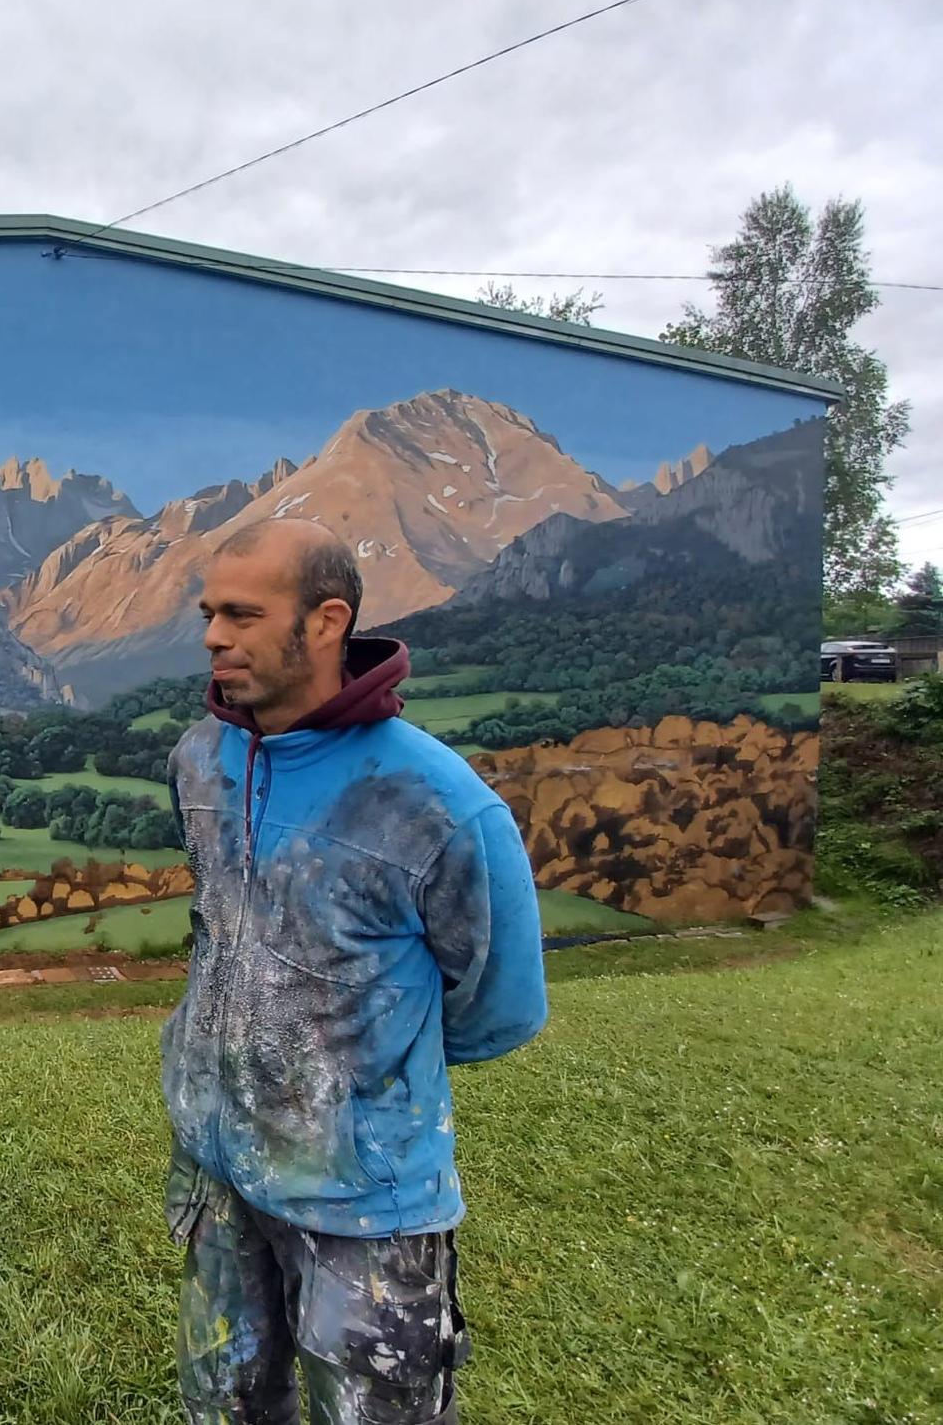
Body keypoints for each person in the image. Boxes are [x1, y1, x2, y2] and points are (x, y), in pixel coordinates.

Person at [163, 519, 547, 1425]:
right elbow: (217, 929)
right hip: (217, 1166)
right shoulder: (198, 760)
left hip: (363, 1201)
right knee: (223, 1401)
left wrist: (354, 1089)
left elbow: (500, 1004)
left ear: (328, 621)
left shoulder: (437, 803)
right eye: (210, 612)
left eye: (244, 615)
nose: (214, 636)